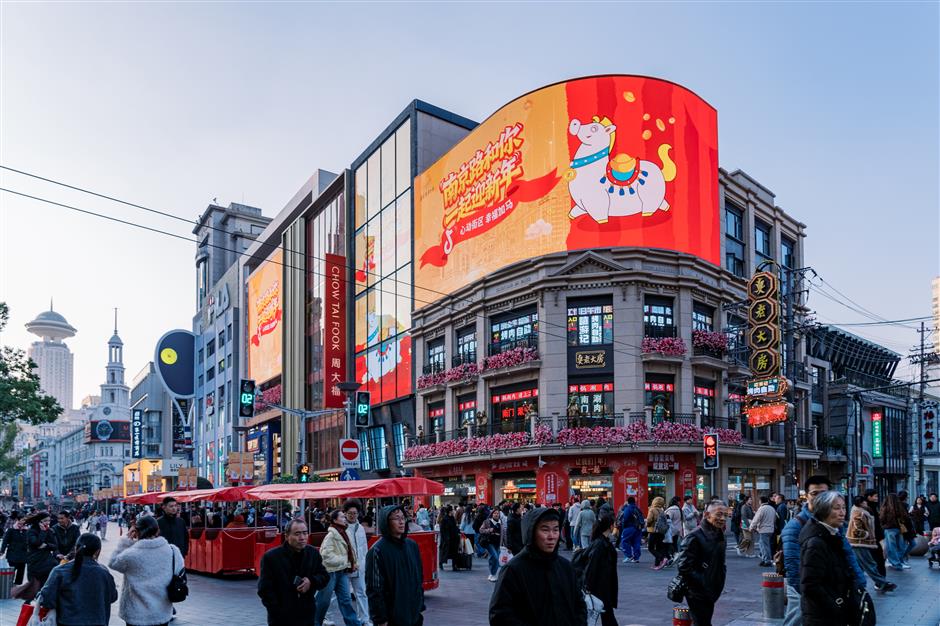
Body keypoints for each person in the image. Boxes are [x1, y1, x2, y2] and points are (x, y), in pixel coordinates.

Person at [781, 475, 866, 626]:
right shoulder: (796, 526)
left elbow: (847, 554)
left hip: (832, 590)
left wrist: (858, 581)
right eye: (814, 494)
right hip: (809, 593)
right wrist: (808, 596)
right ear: (806, 496)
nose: (819, 497)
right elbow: (793, 565)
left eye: (824, 493)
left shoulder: (832, 523)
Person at [489, 506, 586, 625]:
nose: (552, 536)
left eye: (555, 530)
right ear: (531, 532)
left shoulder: (565, 567)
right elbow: (500, 615)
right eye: (545, 530)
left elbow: (579, 605)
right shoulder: (513, 570)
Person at [109, 514, 184, 626]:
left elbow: (113, 563)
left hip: (135, 614)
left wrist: (126, 541)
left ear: (136, 532)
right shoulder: (173, 551)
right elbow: (179, 570)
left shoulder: (130, 555)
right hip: (161, 612)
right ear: (158, 531)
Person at [799, 491, 859, 626]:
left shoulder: (832, 535)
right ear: (823, 510)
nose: (842, 513)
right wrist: (837, 604)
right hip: (823, 616)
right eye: (836, 508)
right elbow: (810, 584)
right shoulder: (816, 542)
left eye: (843, 507)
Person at [258, 517, 330, 626]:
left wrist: (311, 581)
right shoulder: (271, 557)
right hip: (281, 617)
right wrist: (276, 609)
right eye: (297, 534)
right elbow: (264, 589)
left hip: (307, 614)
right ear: (287, 536)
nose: (302, 537)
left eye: (305, 533)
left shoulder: (313, 553)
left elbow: (324, 576)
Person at [365, 505, 425, 626]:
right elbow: (375, 589)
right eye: (396, 518)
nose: (401, 522)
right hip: (392, 616)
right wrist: (380, 619)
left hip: (413, 614)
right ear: (386, 522)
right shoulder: (377, 550)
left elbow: (419, 578)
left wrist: (419, 605)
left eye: (403, 518)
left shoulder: (412, 545)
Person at [39, 532, 117, 625]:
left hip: (67, 622)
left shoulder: (60, 571)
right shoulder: (104, 573)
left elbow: (47, 600)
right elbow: (112, 597)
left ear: (76, 548)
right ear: (97, 551)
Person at [675, 501, 728, 626]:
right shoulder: (694, 536)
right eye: (719, 514)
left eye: (726, 515)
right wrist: (703, 582)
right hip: (697, 591)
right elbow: (683, 566)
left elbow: (721, 562)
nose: (723, 519)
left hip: (713, 588)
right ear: (707, 514)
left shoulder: (720, 535)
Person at [315, 510, 362, 626]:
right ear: (335, 520)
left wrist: (353, 562)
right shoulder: (331, 536)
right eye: (342, 516)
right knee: (323, 601)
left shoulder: (343, 532)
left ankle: (353, 623)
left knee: (346, 600)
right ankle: (315, 622)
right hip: (330, 572)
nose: (345, 518)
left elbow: (350, 551)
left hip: (341, 571)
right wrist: (347, 561)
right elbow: (326, 556)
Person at [846, 496, 896, 592]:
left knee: (860, 565)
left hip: (862, 542)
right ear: (861, 503)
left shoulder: (862, 510)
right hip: (859, 543)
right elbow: (856, 529)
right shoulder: (858, 512)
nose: (866, 503)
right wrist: (867, 535)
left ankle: (855, 584)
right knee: (869, 564)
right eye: (864, 502)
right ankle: (882, 583)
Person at [584, 514, 618, 626]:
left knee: (606, 616)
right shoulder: (600, 544)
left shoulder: (603, 542)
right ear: (610, 526)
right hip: (600, 587)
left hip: (603, 585)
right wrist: (588, 586)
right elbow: (592, 566)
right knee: (607, 616)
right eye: (614, 524)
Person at [343, 500, 372, 626]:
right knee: (342, 596)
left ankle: (364, 619)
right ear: (345, 513)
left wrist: (364, 564)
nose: (353, 516)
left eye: (355, 513)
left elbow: (364, 547)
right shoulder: (341, 529)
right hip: (345, 567)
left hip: (359, 566)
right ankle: (327, 618)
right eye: (350, 513)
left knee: (362, 593)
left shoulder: (360, 528)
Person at [25, 511, 59, 592]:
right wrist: (43, 533)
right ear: (39, 521)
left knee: (45, 587)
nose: (47, 523)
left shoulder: (50, 531)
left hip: (47, 562)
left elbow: (55, 546)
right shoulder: (32, 531)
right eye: (45, 521)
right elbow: (36, 543)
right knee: (34, 587)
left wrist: (46, 545)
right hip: (34, 561)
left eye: (49, 520)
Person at [880, 493, 913, 570]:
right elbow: (905, 518)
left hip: (889, 529)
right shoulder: (899, 507)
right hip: (899, 529)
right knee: (900, 546)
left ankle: (895, 562)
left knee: (891, 546)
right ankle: (898, 562)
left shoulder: (885, 507)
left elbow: (881, 519)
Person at [864, 489, 887, 577]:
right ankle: (880, 579)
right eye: (875, 496)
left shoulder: (873, 506)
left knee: (877, 558)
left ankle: (880, 579)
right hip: (871, 537)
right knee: (877, 558)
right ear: (869, 497)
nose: (877, 498)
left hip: (875, 537)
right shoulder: (867, 508)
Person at [0, 512, 28, 585]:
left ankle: (18, 586)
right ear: (18, 520)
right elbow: (5, 541)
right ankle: (9, 585)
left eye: (25, 520)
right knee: (12, 570)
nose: (24, 521)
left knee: (21, 571)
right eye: (22, 520)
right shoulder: (11, 530)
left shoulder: (26, 530)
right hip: (13, 553)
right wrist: (2, 551)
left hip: (23, 554)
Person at [750, 496, 777, 567]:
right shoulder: (772, 508)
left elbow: (756, 519)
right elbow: (774, 519)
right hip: (771, 529)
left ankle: (767, 560)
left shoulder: (762, 509)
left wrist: (751, 527)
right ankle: (765, 559)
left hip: (763, 529)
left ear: (760, 501)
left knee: (764, 546)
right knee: (764, 545)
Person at [479, 507, 503, 582]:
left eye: (498, 513)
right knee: (495, 557)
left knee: (494, 558)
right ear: (492, 514)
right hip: (489, 542)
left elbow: (503, 533)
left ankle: (492, 574)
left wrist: (505, 543)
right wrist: (489, 530)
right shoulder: (487, 522)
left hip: (497, 543)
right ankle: (493, 574)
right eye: (495, 513)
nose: (496, 515)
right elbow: (481, 530)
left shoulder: (500, 522)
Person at [617, 496, 643, 563]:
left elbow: (625, 518)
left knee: (624, 541)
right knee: (636, 542)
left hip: (629, 527)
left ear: (628, 502)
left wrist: (623, 527)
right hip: (638, 528)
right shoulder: (637, 508)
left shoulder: (628, 508)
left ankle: (629, 556)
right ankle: (636, 558)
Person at [646, 496, 668, 569]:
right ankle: (657, 564)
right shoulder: (662, 511)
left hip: (653, 531)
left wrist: (647, 525)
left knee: (650, 547)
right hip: (661, 532)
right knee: (658, 547)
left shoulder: (652, 510)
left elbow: (649, 520)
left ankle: (662, 558)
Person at [663, 496, 683, 562]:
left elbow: (668, 519)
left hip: (671, 529)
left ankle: (673, 555)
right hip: (678, 528)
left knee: (668, 543)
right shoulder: (679, 509)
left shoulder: (670, 510)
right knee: (674, 542)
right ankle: (675, 554)